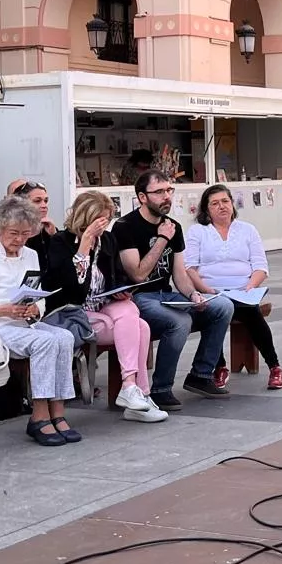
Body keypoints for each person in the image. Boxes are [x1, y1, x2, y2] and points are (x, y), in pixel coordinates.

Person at [0, 196, 79, 446]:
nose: (20, 240)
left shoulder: (30, 254)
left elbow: (38, 295)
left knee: (65, 337)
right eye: (14, 233)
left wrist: (35, 309)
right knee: (44, 342)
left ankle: (58, 412)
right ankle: (39, 415)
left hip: (22, 323)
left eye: (25, 234)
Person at [112, 170, 233, 411]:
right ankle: (160, 389)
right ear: (142, 197)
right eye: (159, 192)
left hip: (166, 295)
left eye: (169, 190)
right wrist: (161, 239)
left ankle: (201, 375)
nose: (167, 196)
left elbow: (180, 274)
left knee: (223, 306)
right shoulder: (125, 226)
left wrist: (193, 295)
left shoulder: (173, 226)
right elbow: (137, 274)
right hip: (138, 297)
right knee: (179, 322)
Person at [43, 190, 167, 422]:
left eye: (107, 219)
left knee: (132, 314)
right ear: (85, 217)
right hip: (75, 310)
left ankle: (131, 388)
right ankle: (139, 393)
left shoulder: (107, 240)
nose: (104, 225)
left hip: (103, 304)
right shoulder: (61, 242)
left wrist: (121, 289)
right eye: (100, 220)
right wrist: (84, 247)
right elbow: (70, 288)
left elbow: (116, 276)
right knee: (140, 327)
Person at [185, 184, 282, 390]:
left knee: (251, 312)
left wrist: (250, 286)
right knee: (215, 312)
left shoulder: (247, 230)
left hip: (242, 290)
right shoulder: (197, 231)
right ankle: (219, 367)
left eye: (225, 201)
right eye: (215, 203)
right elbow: (189, 268)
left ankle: (275, 367)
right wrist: (206, 289)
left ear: (232, 203)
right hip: (210, 291)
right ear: (207, 209)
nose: (221, 206)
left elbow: (260, 266)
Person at [0, 179, 56, 271]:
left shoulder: (48, 228)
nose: (44, 205)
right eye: (37, 201)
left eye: (46, 201)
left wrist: (54, 236)